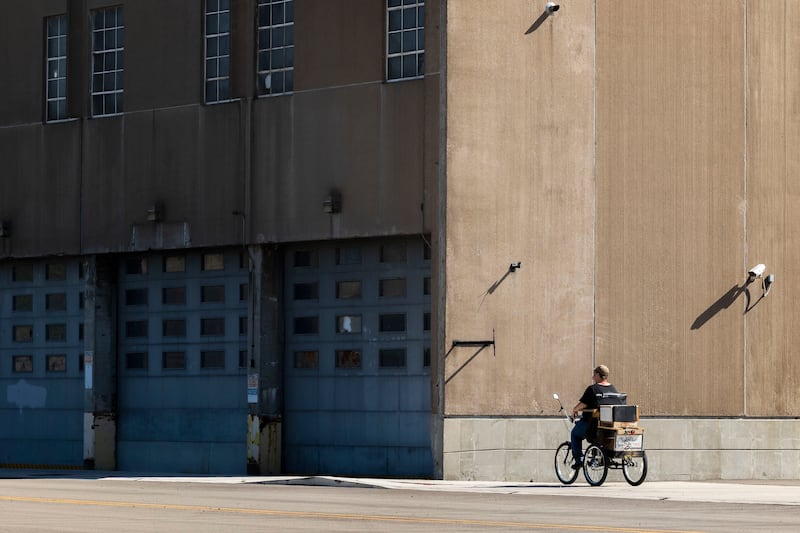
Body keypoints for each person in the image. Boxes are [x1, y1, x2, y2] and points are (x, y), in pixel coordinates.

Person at [570, 364, 619, 469]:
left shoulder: (593, 389)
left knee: (575, 434)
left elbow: (582, 404)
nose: (592, 377)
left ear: (598, 375)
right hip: (610, 427)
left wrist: (575, 409)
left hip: (592, 425)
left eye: (594, 374)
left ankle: (579, 460)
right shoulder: (613, 389)